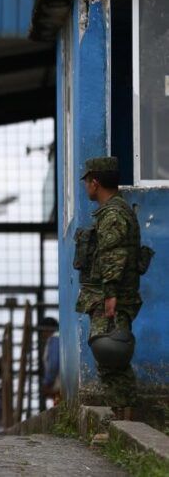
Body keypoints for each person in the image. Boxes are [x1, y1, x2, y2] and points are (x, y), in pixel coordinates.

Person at [77, 157, 142, 417]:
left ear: (95, 182)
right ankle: (122, 416)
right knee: (111, 355)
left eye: (86, 182)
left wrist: (111, 293)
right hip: (109, 294)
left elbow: (114, 254)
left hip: (112, 295)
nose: (85, 188)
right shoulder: (114, 210)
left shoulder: (113, 214)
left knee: (111, 352)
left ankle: (124, 419)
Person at [40, 317, 60, 405]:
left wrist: (47, 382)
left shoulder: (54, 340)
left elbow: (53, 363)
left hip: (58, 384)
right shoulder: (60, 338)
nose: (42, 334)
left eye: (42, 331)